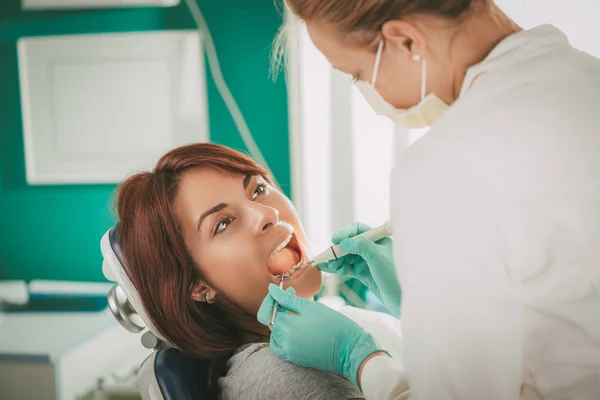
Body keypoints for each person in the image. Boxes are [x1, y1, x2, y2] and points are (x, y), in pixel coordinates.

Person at [257, 0, 600, 399]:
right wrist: (432, 307)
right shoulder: (586, 78)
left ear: (404, 40)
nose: (264, 215)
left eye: (357, 74)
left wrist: (359, 359)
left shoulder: (447, 163)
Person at [114, 143, 404, 400]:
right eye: (223, 223)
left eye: (258, 189)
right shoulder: (285, 377)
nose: (267, 214)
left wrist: (416, 305)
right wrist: (356, 355)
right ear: (198, 285)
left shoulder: (342, 328)